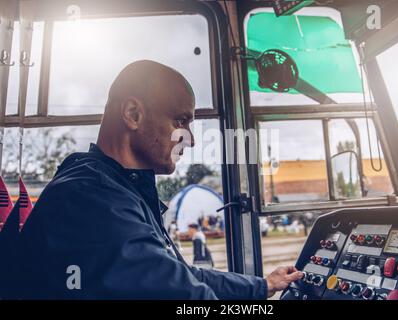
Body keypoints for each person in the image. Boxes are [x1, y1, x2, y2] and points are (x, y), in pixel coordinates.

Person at [19, 60, 303, 299]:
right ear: (133, 114)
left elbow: (179, 275)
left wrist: (263, 286)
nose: (189, 140)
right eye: (181, 121)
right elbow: (185, 295)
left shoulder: (116, 188)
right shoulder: (91, 198)